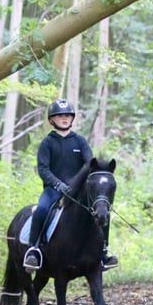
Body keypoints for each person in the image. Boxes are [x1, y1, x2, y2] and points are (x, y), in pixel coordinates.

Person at [23, 99, 118, 272]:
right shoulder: (47, 143)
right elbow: (43, 169)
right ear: (52, 120)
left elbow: (90, 164)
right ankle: (33, 250)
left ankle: (103, 252)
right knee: (42, 209)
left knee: (103, 213)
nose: (64, 118)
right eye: (59, 116)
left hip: (76, 192)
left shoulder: (80, 142)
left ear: (72, 118)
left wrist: (78, 185)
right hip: (53, 190)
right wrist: (58, 184)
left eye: (67, 115)